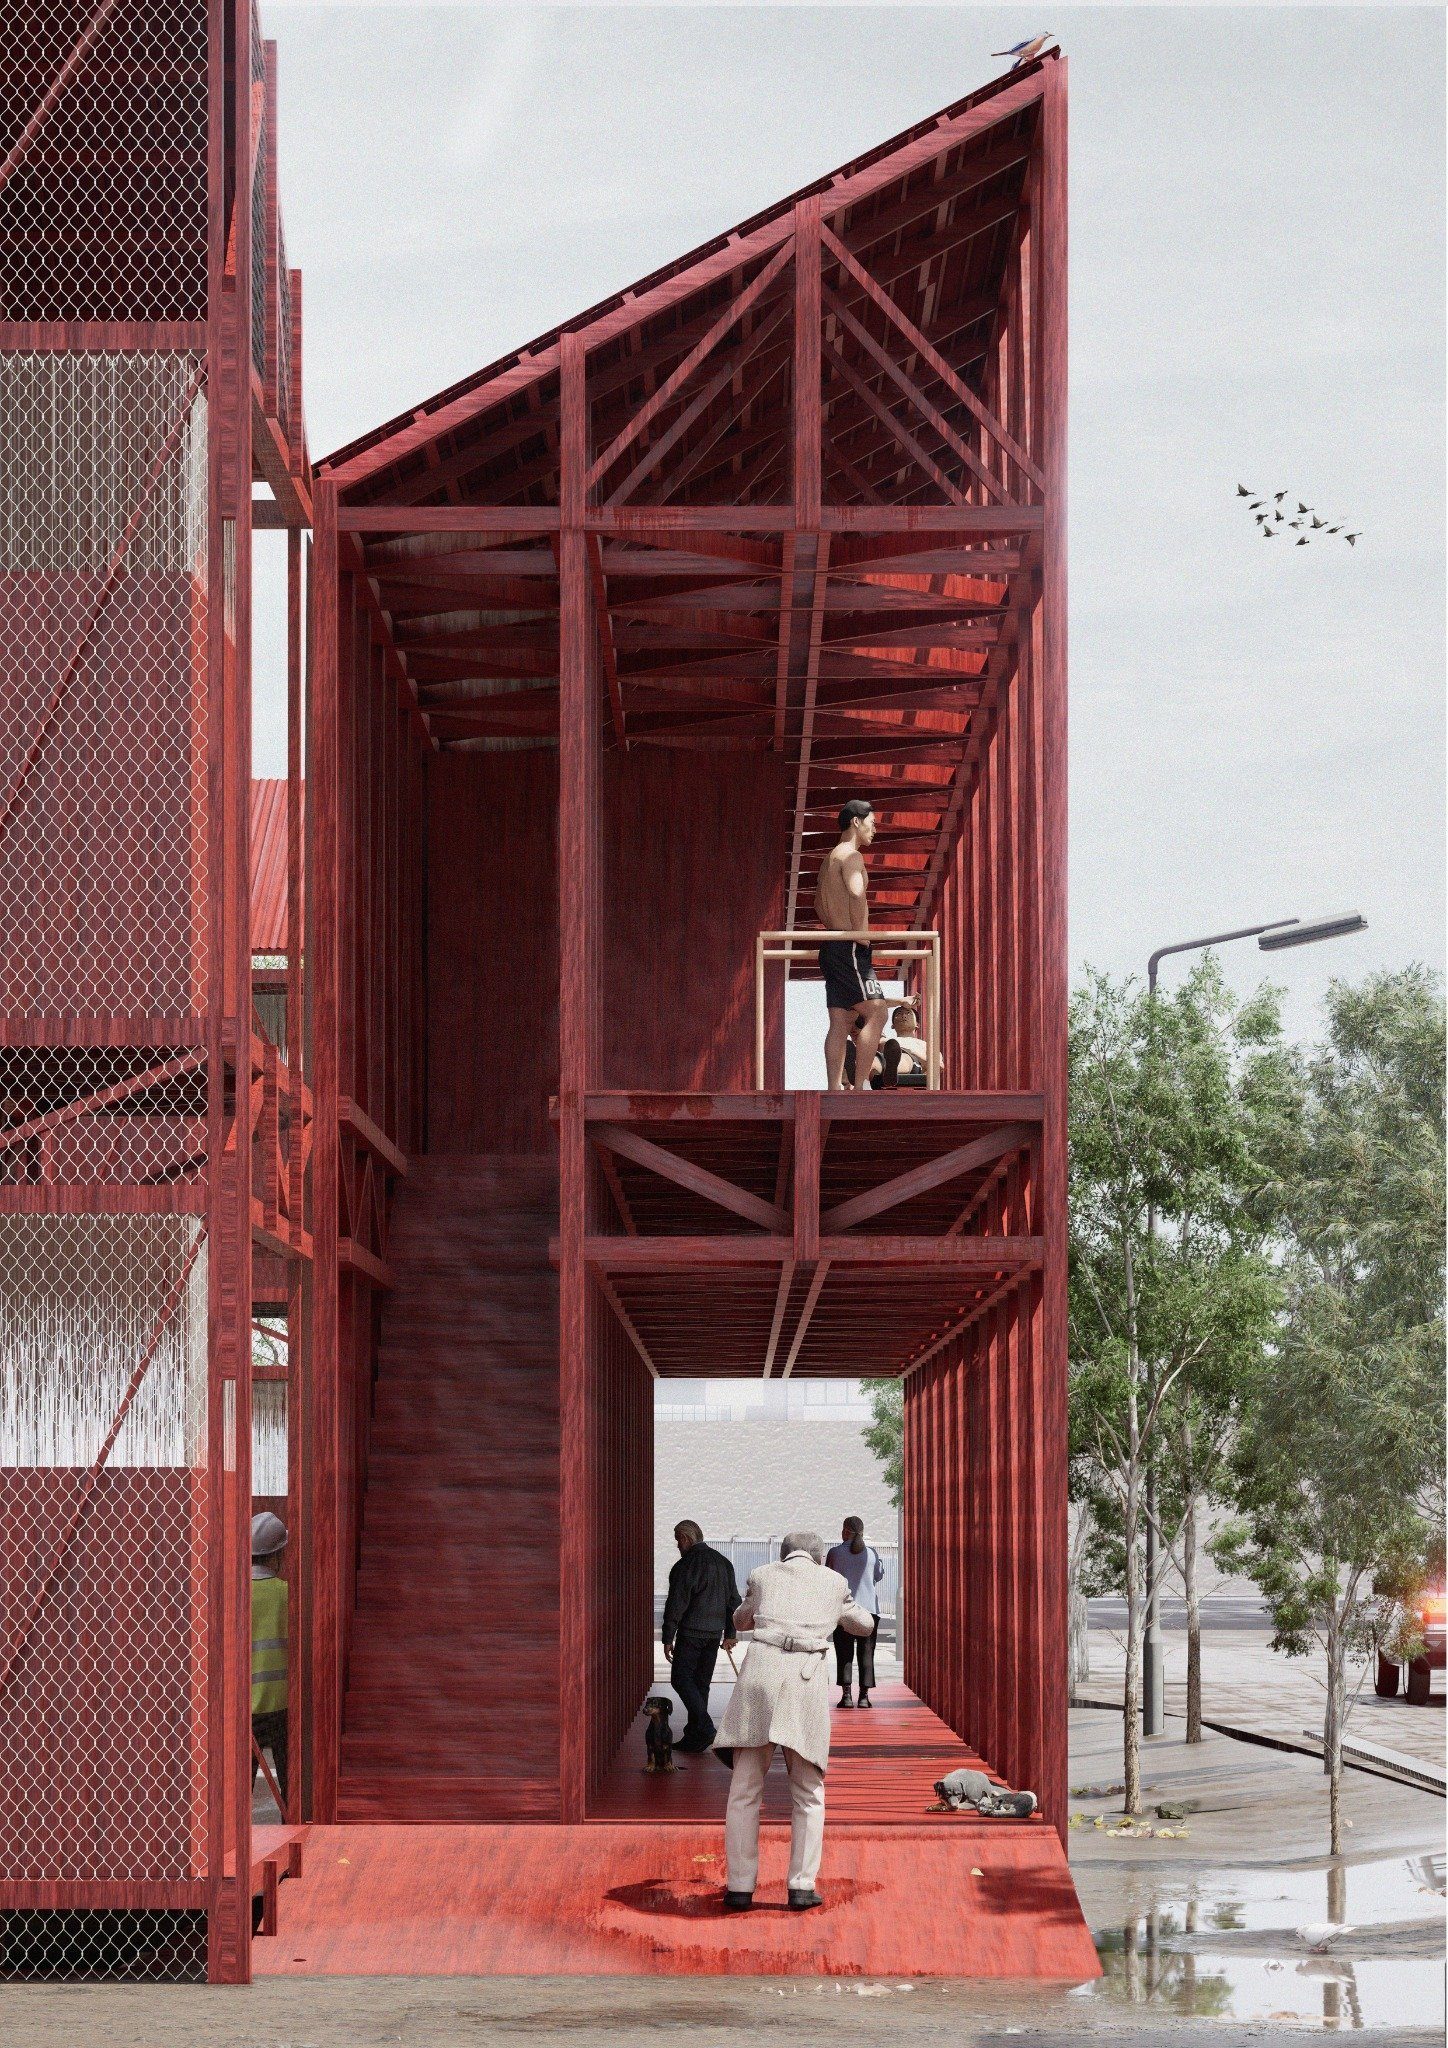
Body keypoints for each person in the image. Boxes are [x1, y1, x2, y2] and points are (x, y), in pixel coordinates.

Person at [713, 1530, 873, 1912]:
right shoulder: (834, 1582)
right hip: (805, 1683)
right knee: (808, 1792)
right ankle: (801, 1887)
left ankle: (739, 1888)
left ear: (784, 1554)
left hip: (760, 1679)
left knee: (744, 1789)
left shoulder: (762, 1575)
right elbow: (865, 1625)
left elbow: (741, 1619)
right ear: (818, 1557)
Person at [814, 799, 888, 1093]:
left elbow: (818, 904)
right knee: (878, 1012)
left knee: (841, 1019)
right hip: (850, 947)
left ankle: (834, 1088)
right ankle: (859, 1087)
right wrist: (859, 933)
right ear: (856, 821)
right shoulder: (852, 856)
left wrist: (837, 924)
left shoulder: (829, 859)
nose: (875, 829)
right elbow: (857, 892)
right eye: (872, 823)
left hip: (831, 944)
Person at [660, 1520, 740, 1753]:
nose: (678, 1545)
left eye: (678, 1540)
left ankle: (704, 1728)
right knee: (701, 1684)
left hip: (691, 1633)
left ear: (686, 1538)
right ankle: (694, 1736)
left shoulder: (685, 1565)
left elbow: (676, 1604)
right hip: (714, 1634)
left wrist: (668, 1637)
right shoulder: (724, 1563)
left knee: (680, 1679)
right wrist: (730, 1633)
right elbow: (733, 1601)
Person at [250, 1511, 289, 1811]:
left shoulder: (234, 1595)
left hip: (242, 1710)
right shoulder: (287, 1594)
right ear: (277, 1555)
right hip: (282, 1708)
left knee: (237, 1795)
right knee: (291, 1790)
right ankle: (293, 1833)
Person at [825, 1516, 886, 1706]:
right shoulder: (872, 1553)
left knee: (844, 1653)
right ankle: (864, 1698)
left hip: (844, 1611)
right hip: (869, 1611)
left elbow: (829, 1578)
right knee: (866, 1653)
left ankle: (846, 1697)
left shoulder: (834, 1553)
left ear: (845, 1531)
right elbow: (879, 1575)